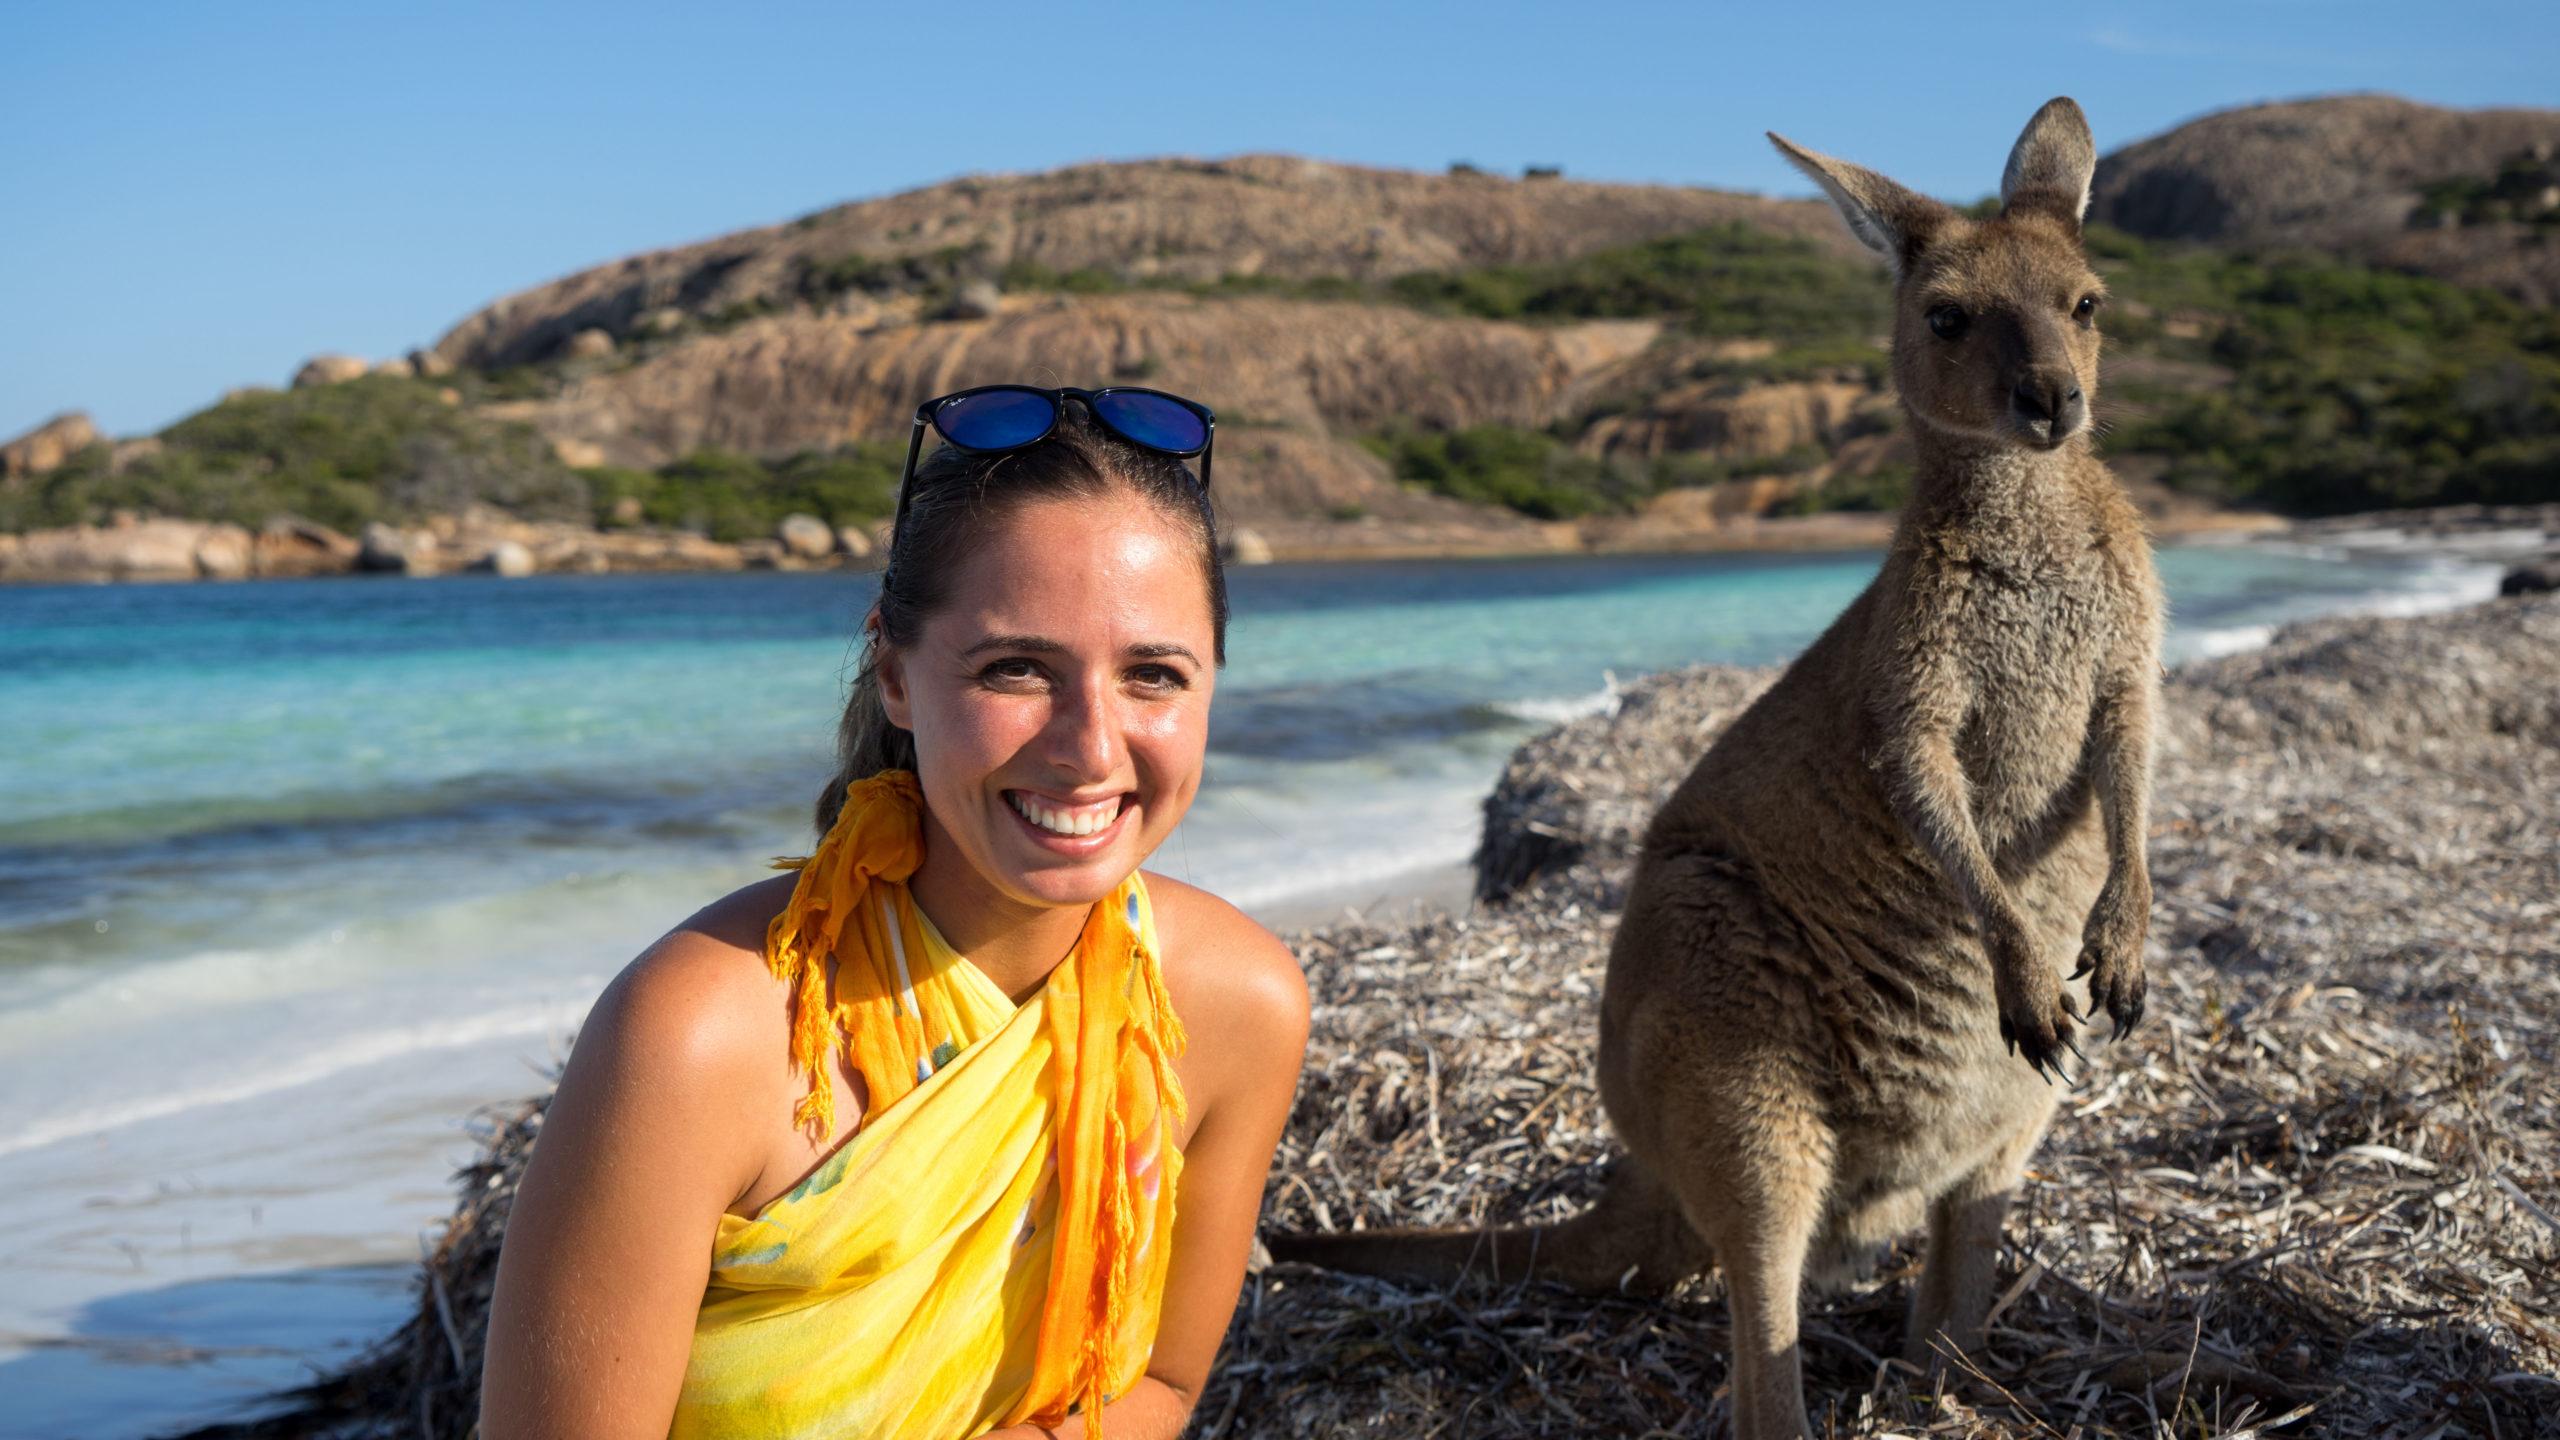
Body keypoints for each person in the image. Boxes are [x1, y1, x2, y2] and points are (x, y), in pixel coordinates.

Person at [481, 385, 1311, 1439]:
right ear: (897, 675)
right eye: (1017, 668)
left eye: (1154, 675)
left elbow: (1162, 1388)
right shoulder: (702, 1038)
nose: (1092, 748)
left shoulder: (1234, 1006)